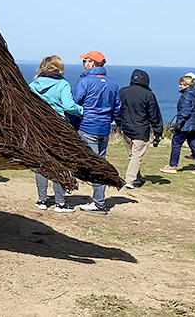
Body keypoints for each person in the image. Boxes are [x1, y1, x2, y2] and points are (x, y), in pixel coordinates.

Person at [28, 55, 81, 212]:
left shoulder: (34, 84)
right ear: (59, 68)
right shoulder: (62, 84)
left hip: (40, 126)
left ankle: (42, 200)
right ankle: (60, 202)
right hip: (58, 127)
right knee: (60, 162)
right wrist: (82, 111)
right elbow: (69, 107)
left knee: (42, 163)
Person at [73, 50, 121, 214]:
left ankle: (99, 203)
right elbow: (117, 108)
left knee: (94, 164)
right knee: (100, 161)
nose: (83, 64)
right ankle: (98, 200)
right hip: (103, 128)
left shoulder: (85, 82)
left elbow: (75, 103)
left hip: (87, 126)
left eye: (85, 61)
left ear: (92, 63)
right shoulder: (112, 83)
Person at [115, 69, 163, 189]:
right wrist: (158, 132)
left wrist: (119, 124)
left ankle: (136, 176)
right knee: (137, 156)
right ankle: (130, 180)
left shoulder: (122, 92)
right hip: (141, 129)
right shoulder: (148, 95)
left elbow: (117, 110)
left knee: (132, 154)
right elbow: (154, 115)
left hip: (126, 128)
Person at [161, 75, 195, 175]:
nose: (179, 86)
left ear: (186, 85)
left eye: (181, 84)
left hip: (186, 125)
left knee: (176, 143)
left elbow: (185, 111)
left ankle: (172, 165)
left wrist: (178, 123)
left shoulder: (186, 96)